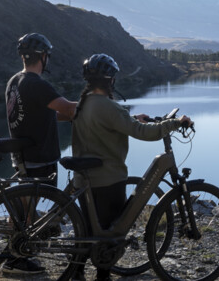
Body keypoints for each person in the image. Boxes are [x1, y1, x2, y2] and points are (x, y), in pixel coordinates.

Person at [71, 53, 191, 281]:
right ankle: (102, 275)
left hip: (85, 178)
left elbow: (109, 119)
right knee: (110, 231)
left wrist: (133, 116)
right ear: (110, 80)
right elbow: (142, 133)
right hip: (107, 178)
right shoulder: (107, 106)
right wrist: (174, 123)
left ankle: (76, 272)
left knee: (88, 230)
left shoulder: (84, 103)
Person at [4, 32, 78, 274]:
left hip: (22, 154)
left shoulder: (15, 80)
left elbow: (46, 114)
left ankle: (13, 252)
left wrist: (69, 115)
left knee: (22, 209)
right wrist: (99, 106)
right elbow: (67, 108)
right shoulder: (37, 84)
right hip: (38, 155)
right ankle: (17, 261)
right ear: (43, 57)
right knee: (27, 214)